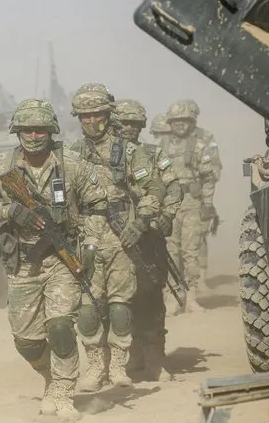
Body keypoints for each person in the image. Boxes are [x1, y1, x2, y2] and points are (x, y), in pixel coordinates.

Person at [0, 98, 107, 420]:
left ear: (51, 131)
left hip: (63, 259)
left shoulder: (72, 165)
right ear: (17, 133)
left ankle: (62, 390)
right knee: (26, 342)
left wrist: (89, 246)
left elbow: (98, 206)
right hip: (22, 264)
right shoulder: (1, 168)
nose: (34, 136)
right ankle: (48, 375)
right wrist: (11, 211)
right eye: (27, 130)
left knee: (60, 327)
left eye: (40, 129)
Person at [68, 84, 173, 391]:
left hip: (121, 242)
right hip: (86, 242)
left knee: (122, 305)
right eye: (84, 116)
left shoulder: (129, 153)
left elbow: (154, 190)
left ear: (107, 114)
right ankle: (95, 367)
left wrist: (140, 222)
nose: (91, 121)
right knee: (87, 308)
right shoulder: (71, 154)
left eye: (97, 115)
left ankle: (118, 365)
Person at [113, 99, 181, 381]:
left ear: (141, 127)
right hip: (114, 241)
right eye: (123, 122)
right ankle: (130, 356)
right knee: (118, 301)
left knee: (151, 297)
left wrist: (166, 214)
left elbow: (174, 186)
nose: (128, 128)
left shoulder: (153, 155)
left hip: (149, 238)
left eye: (134, 123)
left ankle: (154, 359)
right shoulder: (103, 156)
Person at [158, 99, 219, 315]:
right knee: (169, 252)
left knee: (190, 252)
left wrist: (208, 205)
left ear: (192, 121)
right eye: (176, 121)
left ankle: (192, 296)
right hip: (169, 205)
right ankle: (173, 298)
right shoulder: (162, 145)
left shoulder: (201, 143)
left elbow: (209, 177)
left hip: (192, 204)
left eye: (184, 120)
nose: (180, 125)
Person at [184, 99, 223, 288]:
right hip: (181, 195)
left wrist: (206, 192)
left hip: (199, 191)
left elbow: (215, 164)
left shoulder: (205, 137)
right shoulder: (173, 139)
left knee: (201, 235)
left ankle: (203, 276)